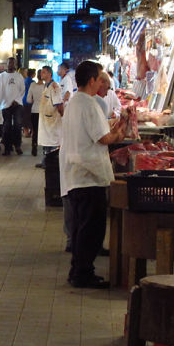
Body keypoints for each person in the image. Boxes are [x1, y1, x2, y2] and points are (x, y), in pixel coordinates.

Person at [59, 60, 126, 289]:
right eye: (99, 79)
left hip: (79, 173)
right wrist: (119, 134)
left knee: (82, 227)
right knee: (91, 229)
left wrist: (113, 130)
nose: (101, 83)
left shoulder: (76, 102)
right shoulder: (88, 104)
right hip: (88, 175)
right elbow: (103, 138)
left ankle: (78, 270)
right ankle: (82, 273)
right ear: (91, 81)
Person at [0, 57, 23, 155]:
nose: (10, 65)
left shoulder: (19, 76)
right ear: (7, 64)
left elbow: (22, 90)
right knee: (7, 126)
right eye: (9, 63)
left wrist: (17, 100)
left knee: (17, 125)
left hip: (17, 104)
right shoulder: (1, 76)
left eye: (12, 63)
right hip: (5, 104)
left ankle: (17, 145)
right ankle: (7, 147)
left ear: (15, 65)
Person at [26, 70, 44, 160]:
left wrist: (34, 101)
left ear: (37, 76)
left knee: (35, 130)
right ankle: (45, 148)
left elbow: (28, 100)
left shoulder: (32, 85)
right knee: (44, 130)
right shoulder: (46, 87)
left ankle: (34, 146)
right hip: (44, 111)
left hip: (34, 110)